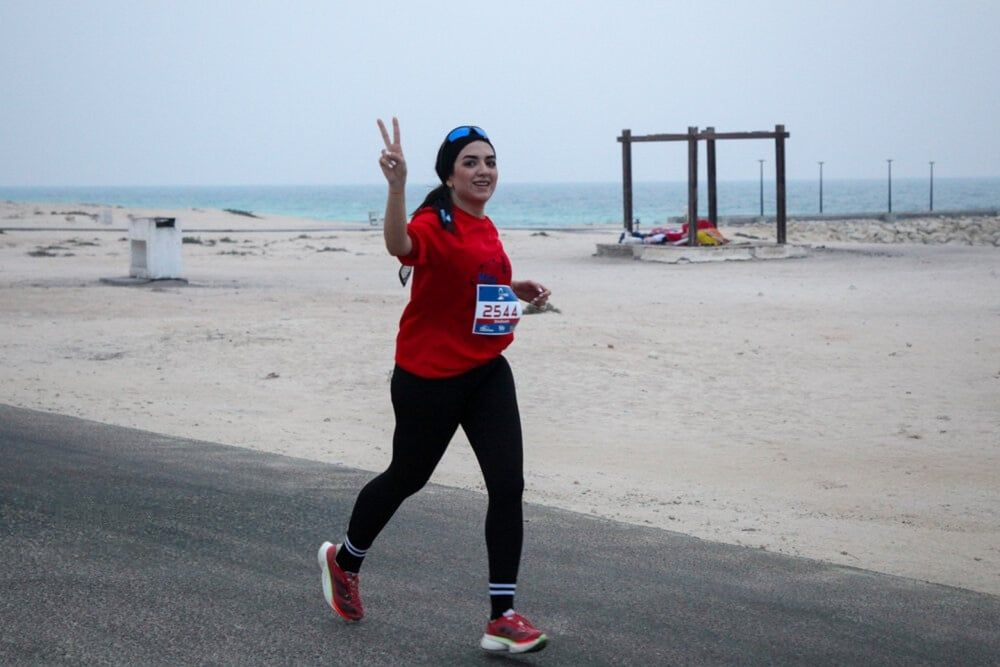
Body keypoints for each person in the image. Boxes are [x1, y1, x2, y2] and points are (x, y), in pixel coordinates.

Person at [318, 118, 551, 654]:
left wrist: (513, 288)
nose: (483, 170)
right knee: (406, 476)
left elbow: (472, 279)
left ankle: (502, 617)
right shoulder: (432, 221)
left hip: (487, 370)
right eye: (470, 162)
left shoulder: (484, 226)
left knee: (507, 485)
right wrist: (396, 188)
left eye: (490, 161)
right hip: (429, 379)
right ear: (449, 176)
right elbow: (399, 245)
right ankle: (344, 561)